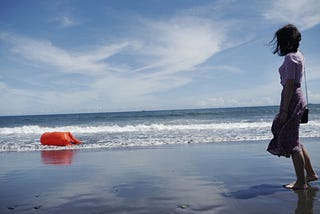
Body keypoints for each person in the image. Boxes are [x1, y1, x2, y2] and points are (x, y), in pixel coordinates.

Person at [267, 24, 318, 190]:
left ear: (286, 42)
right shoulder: (298, 55)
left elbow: (289, 85)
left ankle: (301, 182)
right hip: (297, 96)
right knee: (294, 139)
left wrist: (284, 110)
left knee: (292, 142)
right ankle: (309, 174)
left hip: (292, 97)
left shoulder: (290, 58)